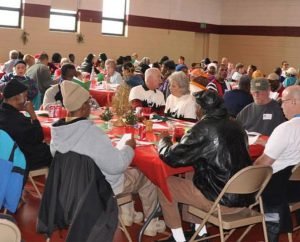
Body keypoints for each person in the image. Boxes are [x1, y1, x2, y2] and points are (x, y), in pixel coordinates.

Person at [51, 81, 165, 236]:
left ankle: (127, 215)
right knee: (147, 175)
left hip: (73, 186)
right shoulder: (92, 133)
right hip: (99, 188)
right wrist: (129, 147)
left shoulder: (57, 132)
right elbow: (116, 166)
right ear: (84, 107)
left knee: (127, 169)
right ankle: (151, 224)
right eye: (88, 104)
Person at [157, 90, 253, 242]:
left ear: (200, 109)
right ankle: (200, 232)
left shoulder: (203, 128)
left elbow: (172, 157)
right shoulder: (237, 125)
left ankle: (178, 238)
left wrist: (164, 141)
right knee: (191, 174)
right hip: (244, 198)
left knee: (164, 183)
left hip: (220, 202)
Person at [254, 85, 300, 242]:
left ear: (294, 102)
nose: (281, 106)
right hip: (296, 185)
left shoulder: (285, 129)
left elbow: (264, 163)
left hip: (278, 187)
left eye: (283, 101)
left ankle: (271, 233)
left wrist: (247, 170)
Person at [0, 79, 52, 177]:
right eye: (25, 96)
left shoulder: (4, 113)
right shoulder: (17, 119)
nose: (27, 99)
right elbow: (38, 137)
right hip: (20, 160)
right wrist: (32, 114)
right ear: (15, 98)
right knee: (53, 152)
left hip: (4, 158)